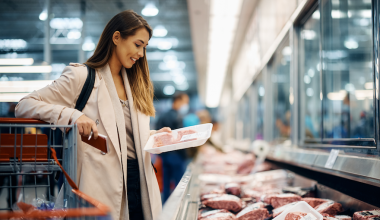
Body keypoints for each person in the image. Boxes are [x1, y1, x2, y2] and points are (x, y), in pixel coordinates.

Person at [15, 10, 170, 220]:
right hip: (100, 185)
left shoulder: (136, 85)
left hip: (139, 182)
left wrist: (153, 136)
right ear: (116, 37)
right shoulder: (81, 76)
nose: (141, 54)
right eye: (137, 44)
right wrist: (73, 115)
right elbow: (24, 105)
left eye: (144, 47)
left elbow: (120, 136)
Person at [156, 92, 189, 202]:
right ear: (178, 100)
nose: (186, 105)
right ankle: (178, 207)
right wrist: (185, 156)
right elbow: (180, 139)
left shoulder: (162, 116)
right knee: (179, 185)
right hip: (176, 155)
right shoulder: (177, 117)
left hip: (164, 155)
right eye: (185, 102)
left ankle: (165, 206)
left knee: (166, 183)